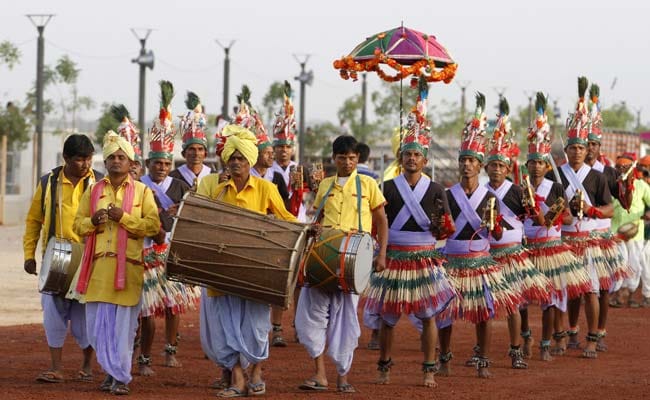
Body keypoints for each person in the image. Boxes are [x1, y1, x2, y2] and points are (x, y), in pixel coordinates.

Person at [363, 80, 458, 388]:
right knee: (388, 317)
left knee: (429, 315)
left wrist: (441, 226)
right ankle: (383, 368)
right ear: (400, 157)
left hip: (424, 258)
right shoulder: (387, 187)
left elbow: (446, 226)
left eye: (416, 154)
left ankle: (429, 369)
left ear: (424, 159)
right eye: (407, 153)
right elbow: (378, 222)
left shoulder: (436, 190)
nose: (411, 159)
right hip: (393, 258)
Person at [197, 124, 298, 398]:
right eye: (233, 158)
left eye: (242, 158)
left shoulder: (265, 188)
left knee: (255, 326)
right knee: (226, 326)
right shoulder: (212, 187)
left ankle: (255, 371)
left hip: (255, 271)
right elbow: (197, 218)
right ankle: (238, 379)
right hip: (221, 269)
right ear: (225, 160)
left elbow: (286, 220)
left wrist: (306, 228)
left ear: (250, 160)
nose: (237, 162)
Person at [437, 93, 521, 379]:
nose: (466, 165)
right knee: (445, 312)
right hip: (452, 258)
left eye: (472, 160)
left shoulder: (490, 197)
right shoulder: (447, 194)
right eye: (463, 160)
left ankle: (483, 359)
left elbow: (496, 233)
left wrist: (495, 225)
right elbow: (441, 229)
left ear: (479, 164)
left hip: (480, 259)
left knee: (484, 313)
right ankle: (444, 357)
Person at [296, 135, 388, 393]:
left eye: (352, 157)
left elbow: (381, 220)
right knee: (311, 316)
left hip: (354, 259)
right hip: (324, 255)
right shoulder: (325, 184)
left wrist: (381, 254)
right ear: (334, 158)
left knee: (346, 319)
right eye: (342, 157)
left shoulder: (369, 184)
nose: (347, 162)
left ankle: (343, 376)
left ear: (358, 158)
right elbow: (319, 217)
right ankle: (319, 373)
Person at [73, 131, 160, 395]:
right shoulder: (93, 190)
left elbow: (153, 225)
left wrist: (124, 218)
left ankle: (120, 377)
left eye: (121, 157)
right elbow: (77, 225)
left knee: (123, 330)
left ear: (131, 162)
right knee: (98, 330)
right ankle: (111, 372)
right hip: (98, 271)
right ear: (105, 161)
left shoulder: (143, 191)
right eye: (111, 156)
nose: (116, 161)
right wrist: (93, 221)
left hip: (128, 270)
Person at [23, 134, 102, 384]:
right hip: (56, 257)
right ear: (66, 158)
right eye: (80, 159)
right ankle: (56, 368)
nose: (85, 164)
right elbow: (34, 220)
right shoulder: (48, 183)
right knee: (53, 313)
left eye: (88, 158)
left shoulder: (101, 182)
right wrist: (29, 255)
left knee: (86, 315)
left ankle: (87, 366)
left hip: (90, 257)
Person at [481, 97, 552, 369]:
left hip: (512, 255)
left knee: (513, 305)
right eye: (492, 165)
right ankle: (482, 350)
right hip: (485, 256)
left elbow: (541, 220)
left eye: (501, 165)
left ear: (509, 168)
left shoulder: (520, 192)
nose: (496, 169)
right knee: (485, 306)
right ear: (486, 167)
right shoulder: (478, 193)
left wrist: (535, 207)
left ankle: (516, 349)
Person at [136, 87, 200, 376]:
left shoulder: (180, 186)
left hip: (172, 249)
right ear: (149, 164)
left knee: (174, 305)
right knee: (147, 309)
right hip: (145, 251)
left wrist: (178, 213)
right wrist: (164, 213)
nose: (162, 167)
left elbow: (191, 217)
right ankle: (144, 356)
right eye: (157, 163)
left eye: (166, 163)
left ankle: (170, 350)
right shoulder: (137, 188)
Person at [523, 93, 591, 361]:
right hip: (526, 249)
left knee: (550, 299)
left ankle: (545, 343)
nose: (537, 167)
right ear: (526, 165)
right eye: (533, 162)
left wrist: (551, 218)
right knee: (523, 300)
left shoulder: (556, 186)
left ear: (545, 165)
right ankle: (526, 339)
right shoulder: (521, 188)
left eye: (541, 162)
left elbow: (567, 218)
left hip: (551, 248)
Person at [558, 77, 614, 360]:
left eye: (582, 147)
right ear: (566, 150)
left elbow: (610, 209)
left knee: (591, 290)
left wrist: (592, 211)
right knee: (569, 291)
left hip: (590, 240)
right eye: (573, 147)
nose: (578, 151)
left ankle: (593, 337)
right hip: (566, 240)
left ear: (587, 149)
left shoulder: (598, 176)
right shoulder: (558, 174)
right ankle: (569, 332)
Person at [582, 84, 629, 352]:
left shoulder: (608, 172)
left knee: (603, 288)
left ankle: (599, 330)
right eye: (585, 143)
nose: (589, 148)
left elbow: (623, 202)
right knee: (579, 289)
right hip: (577, 236)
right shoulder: (572, 172)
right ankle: (575, 330)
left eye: (593, 144)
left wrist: (627, 186)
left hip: (602, 237)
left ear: (599, 146)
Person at [610, 153, 650, 307]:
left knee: (634, 265)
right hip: (615, 233)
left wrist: (647, 213)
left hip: (635, 233)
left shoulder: (641, 186)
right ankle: (618, 293)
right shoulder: (612, 184)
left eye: (625, 166)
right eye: (618, 166)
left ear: (632, 168)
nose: (621, 169)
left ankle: (630, 295)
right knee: (618, 264)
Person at [270, 81, 308, 222]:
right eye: (280, 147)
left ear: (292, 149)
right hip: (275, 215)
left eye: (287, 147)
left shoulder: (299, 169)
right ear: (274, 149)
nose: (284, 150)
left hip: (297, 216)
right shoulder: (269, 170)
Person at [169, 91, 213, 189]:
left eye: (200, 149)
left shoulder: (214, 177)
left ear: (205, 154)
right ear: (184, 154)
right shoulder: (172, 178)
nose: (196, 153)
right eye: (192, 149)